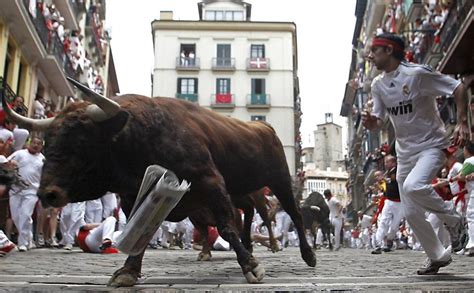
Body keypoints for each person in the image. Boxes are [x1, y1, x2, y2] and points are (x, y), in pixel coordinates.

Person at [362, 33, 468, 274]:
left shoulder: (417, 74)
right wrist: (371, 122)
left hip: (432, 145)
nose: (370, 56)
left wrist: (462, 122)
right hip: (405, 153)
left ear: (389, 50)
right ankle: (438, 256)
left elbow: (459, 88)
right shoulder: (378, 84)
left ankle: (454, 220)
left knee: (412, 187)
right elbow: (378, 121)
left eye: (374, 51)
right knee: (410, 211)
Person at [8, 137, 45, 252]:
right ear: (29, 143)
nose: (35, 145)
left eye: (38, 144)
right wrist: (11, 164)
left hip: (32, 191)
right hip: (16, 190)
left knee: (25, 214)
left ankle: (22, 243)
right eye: (34, 143)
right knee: (16, 217)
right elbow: (6, 164)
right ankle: (29, 238)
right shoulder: (19, 154)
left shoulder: (42, 159)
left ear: (41, 147)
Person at [372, 155, 403, 254]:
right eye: (385, 162)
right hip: (389, 201)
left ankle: (389, 241)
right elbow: (388, 188)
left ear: (393, 163)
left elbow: (393, 180)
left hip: (399, 202)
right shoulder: (388, 173)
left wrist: (384, 179)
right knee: (383, 222)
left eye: (387, 162)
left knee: (394, 225)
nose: (385, 164)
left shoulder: (397, 171)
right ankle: (378, 244)